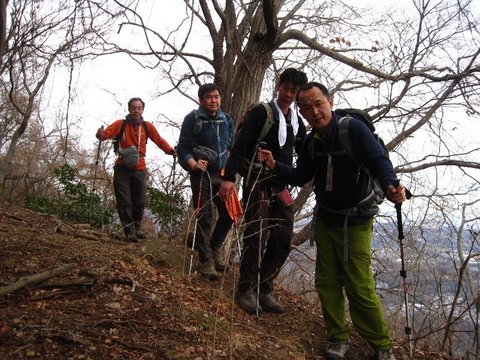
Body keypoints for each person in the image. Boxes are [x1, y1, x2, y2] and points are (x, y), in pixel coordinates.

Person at [257, 81, 406, 360]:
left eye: (318, 104)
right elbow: (302, 175)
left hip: (357, 221)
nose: (314, 112)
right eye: (307, 107)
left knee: (358, 285)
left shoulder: (352, 130)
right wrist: (276, 166)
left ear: (331, 102)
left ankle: (382, 345)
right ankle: (338, 338)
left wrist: (390, 186)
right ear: (301, 112)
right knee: (326, 282)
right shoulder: (312, 142)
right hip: (326, 220)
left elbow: (378, 161)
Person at [219, 68, 308, 314]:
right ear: (278, 86)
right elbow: (240, 144)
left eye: (294, 90)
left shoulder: (297, 122)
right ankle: (245, 289)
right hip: (257, 179)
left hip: (282, 184)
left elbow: (305, 152)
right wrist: (229, 178)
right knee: (256, 234)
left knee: (283, 236)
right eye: (286, 87)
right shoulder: (262, 112)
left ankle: (264, 288)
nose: (289, 94)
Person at [96, 97, 176, 243]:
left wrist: (170, 150)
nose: (136, 110)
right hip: (122, 167)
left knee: (139, 200)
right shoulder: (121, 124)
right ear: (129, 109)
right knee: (124, 200)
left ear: (143, 110)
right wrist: (100, 134)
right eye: (133, 107)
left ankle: (137, 228)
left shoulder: (147, 126)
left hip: (140, 168)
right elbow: (105, 134)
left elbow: (159, 140)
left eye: (139, 108)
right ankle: (129, 232)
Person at [177, 83, 235, 280]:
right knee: (206, 215)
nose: (214, 101)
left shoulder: (226, 119)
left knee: (230, 214)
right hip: (201, 174)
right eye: (209, 97)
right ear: (201, 99)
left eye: (217, 97)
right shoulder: (192, 119)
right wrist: (192, 163)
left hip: (224, 175)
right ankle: (205, 261)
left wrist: (231, 168)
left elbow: (231, 145)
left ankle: (213, 248)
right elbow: (183, 147)